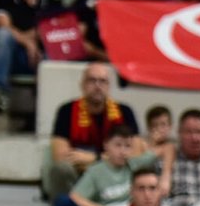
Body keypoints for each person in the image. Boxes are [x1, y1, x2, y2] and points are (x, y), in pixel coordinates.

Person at [45, 64, 137, 199]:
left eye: (102, 81)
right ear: (82, 85)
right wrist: (108, 158)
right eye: (92, 80)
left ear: (109, 86)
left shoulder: (124, 111)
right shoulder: (66, 111)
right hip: (78, 175)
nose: (97, 86)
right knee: (60, 169)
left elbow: (136, 153)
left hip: (115, 174)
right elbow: (60, 156)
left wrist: (94, 158)